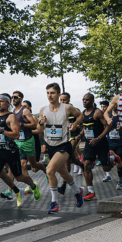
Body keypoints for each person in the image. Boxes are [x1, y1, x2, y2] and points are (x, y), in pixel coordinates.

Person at [0, 94, 41, 216]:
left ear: (8, 104)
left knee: (19, 177)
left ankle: (34, 186)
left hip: (11, 152)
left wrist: (0, 131)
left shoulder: (11, 117)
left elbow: (16, 135)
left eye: (2, 101)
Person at [39, 83, 84, 213]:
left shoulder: (67, 108)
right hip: (50, 146)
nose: (49, 95)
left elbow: (80, 115)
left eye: (52, 93)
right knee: (63, 173)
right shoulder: (43, 110)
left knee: (50, 170)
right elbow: (41, 130)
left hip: (64, 145)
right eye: (47, 93)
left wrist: (75, 124)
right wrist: (41, 123)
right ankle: (78, 191)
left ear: (59, 94)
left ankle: (55, 203)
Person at [80, 93, 113, 200]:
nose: (84, 101)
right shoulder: (83, 113)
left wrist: (98, 138)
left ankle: (114, 159)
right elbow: (85, 127)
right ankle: (91, 192)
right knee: (87, 165)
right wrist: (79, 136)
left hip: (101, 143)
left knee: (106, 167)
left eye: (87, 100)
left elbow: (108, 126)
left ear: (92, 100)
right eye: (83, 100)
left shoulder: (98, 112)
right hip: (90, 143)